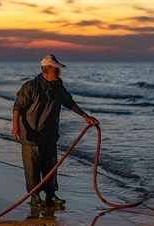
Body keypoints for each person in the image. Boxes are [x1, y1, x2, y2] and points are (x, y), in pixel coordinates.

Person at [12, 54, 99, 208]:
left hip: (50, 135)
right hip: (31, 136)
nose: (58, 73)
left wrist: (85, 116)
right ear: (45, 71)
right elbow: (18, 107)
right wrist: (15, 127)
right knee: (32, 169)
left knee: (51, 168)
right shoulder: (31, 86)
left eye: (59, 70)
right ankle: (35, 196)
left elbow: (69, 103)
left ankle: (51, 196)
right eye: (56, 70)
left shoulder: (58, 87)